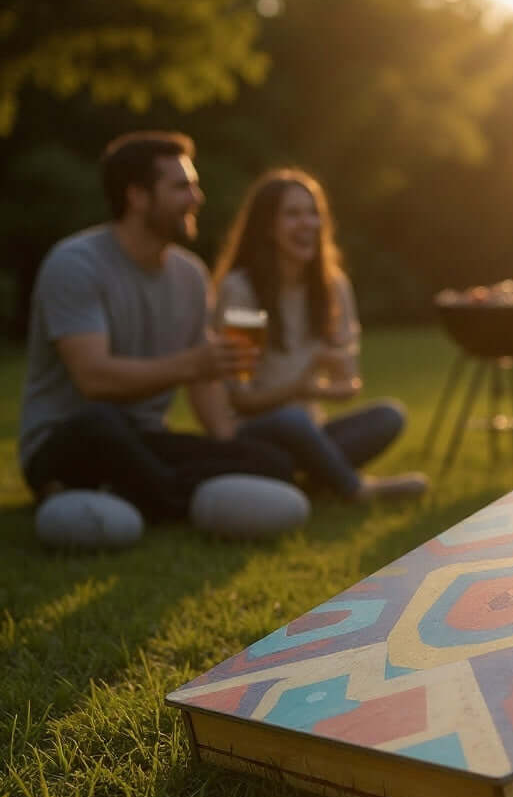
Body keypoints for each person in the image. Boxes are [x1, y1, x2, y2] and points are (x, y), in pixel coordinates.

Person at [18, 131, 295, 522]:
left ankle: (140, 493)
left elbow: (203, 380)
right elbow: (94, 379)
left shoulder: (190, 275)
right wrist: (192, 364)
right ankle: (166, 498)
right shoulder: (75, 264)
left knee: (270, 462)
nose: (197, 198)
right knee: (101, 420)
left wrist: (228, 445)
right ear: (137, 196)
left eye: (194, 186)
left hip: (144, 440)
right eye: (182, 187)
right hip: (68, 439)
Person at [211, 168, 428, 502]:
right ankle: (356, 489)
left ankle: (314, 477)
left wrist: (323, 384)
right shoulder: (242, 290)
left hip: (313, 430)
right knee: (292, 419)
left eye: (313, 213)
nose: (308, 223)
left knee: (389, 415)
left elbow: (349, 386)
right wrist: (301, 384)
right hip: (258, 433)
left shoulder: (333, 287)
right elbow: (240, 399)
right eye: (293, 214)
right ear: (267, 227)